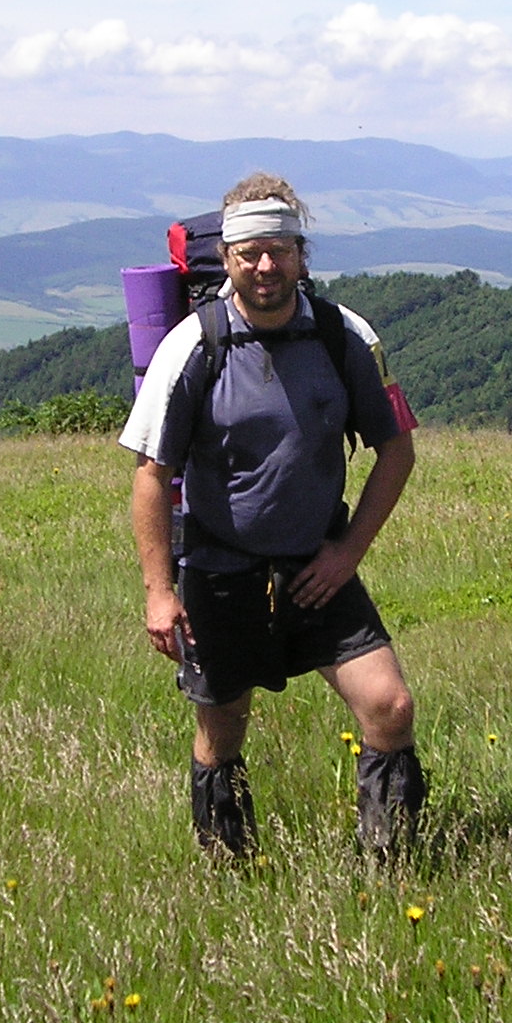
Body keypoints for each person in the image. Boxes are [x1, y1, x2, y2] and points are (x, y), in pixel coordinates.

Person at [120, 173, 427, 858]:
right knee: (222, 729)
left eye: (280, 251)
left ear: (301, 255)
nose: (265, 266)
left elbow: (397, 451)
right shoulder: (193, 345)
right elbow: (151, 475)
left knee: (390, 706)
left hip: (318, 567)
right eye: (249, 253)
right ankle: (229, 864)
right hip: (219, 570)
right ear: (226, 258)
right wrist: (160, 592)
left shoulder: (344, 336)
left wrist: (347, 553)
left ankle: (393, 868)